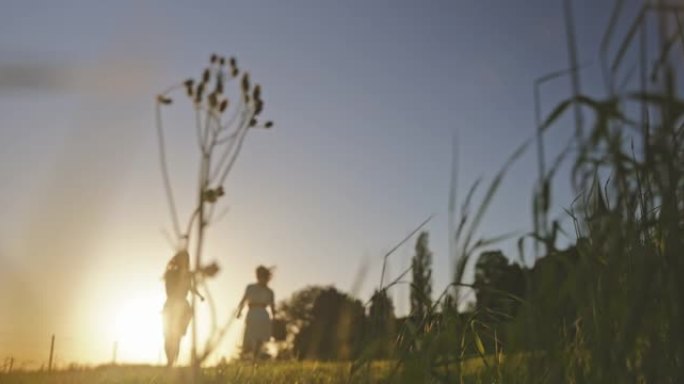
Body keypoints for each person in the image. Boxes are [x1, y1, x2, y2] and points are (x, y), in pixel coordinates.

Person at [162, 249, 203, 366]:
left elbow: (190, 287)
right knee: (168, 334)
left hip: (183, 305)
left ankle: (172, 361)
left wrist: (200, 296)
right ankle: (169, 360)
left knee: (177, 334)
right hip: (171, 304)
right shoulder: (170, 273)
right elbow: (168, 289)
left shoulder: (187, 274)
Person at [237, 266, 275, 359]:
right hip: (252, 313)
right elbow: (243, 300)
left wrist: (274, 318)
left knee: (260, 338)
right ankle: (248, 356)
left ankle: (256, 357)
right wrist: (239, 311)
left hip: (263, 315)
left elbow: (272, 306)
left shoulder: (269, 291)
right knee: (250, 336)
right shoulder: (250, 287)